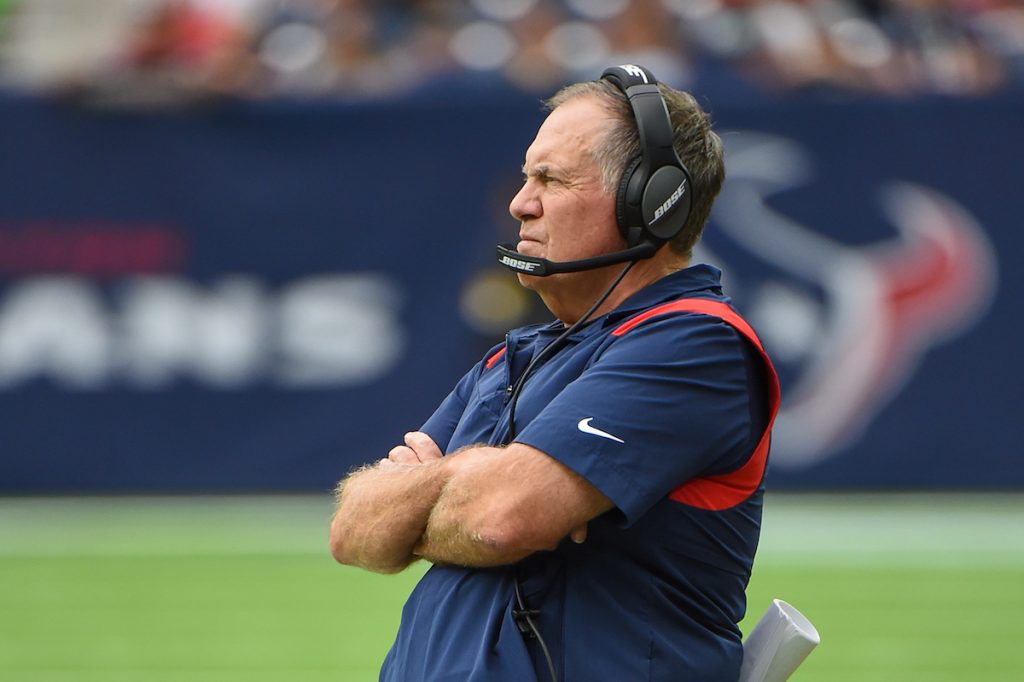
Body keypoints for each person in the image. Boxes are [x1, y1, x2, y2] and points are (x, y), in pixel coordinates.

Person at [329, 64, 779, 682]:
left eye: (551, 179)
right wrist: (479, 478)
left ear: (650, 204)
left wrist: (441, 481)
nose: (521, 203)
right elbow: (355, 530)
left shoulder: (696, 342)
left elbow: (502, 520)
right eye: (525, 177)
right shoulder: (513, 355)